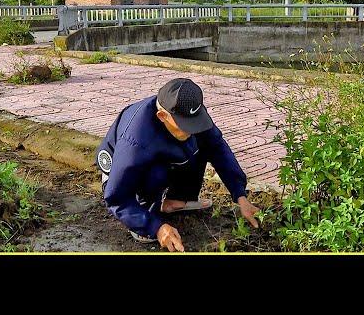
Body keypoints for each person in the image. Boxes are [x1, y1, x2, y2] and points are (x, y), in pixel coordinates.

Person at [95, 77, 260, 252]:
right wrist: (155, 228)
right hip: (120, 174)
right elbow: (116, 197)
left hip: (160, 152)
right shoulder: (135, 141)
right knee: (156, 172)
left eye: (193, 123)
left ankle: (176, 199)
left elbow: (217, 147)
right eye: (184, 125)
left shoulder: (191, 113)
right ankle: (144, 216)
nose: (191, 129)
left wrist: (240, 195)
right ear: (162, 116)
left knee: (199, 143)